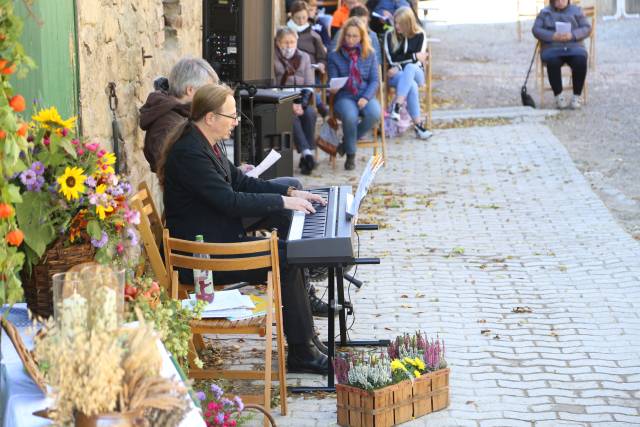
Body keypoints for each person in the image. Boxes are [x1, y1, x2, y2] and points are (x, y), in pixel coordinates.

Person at [158, 83, 329, 374]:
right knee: (285, 259)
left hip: (212, 238)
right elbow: (230, 201)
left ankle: (306, 340)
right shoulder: (190, 154)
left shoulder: (203, 141)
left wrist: (291, 194)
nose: (237, 122)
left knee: (287, 246)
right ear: (210, 117)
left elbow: (239, 181)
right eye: (232, 116)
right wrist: (282, 202)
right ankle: (302, 352)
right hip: (201, 259)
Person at [140, 57, 219, 173]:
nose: (210, 96)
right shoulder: (166, 124)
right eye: (208, 90)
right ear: (190, 90)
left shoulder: (185, 114)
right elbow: (181, 171)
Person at [328, 17, 381, 171]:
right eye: (348, 35)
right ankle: (351, 155)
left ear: (362, 37)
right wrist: (334, 87)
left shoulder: (369, 54)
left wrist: (366, 97)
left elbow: (374, 81)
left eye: (355, 36)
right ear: (343, 35)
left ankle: (345, 144)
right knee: (350, 117)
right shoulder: (335, 55)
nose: (351, 39)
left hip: (365, 93)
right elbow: (333, 79)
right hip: (344, 95)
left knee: (375, 113)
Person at [274, 26, 318, 175]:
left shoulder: (304, 57)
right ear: (278, 42)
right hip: (280, 99)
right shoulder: (272, 58)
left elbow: (310, 84)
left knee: (310, 114)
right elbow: (272, 86)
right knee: (292, 118)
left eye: (292, 42)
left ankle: (306, 154)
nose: (289, 45)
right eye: (285, 42)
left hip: (301, 98)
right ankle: (307, 153)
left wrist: (302, 103)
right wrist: (290, 103)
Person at [384, 6, 432, 139]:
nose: (397, 26)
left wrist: (401, 66)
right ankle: (419, 126)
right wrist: (414, 56)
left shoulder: (420, 34)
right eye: (395, 22)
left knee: (410, 68)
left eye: (400, 23)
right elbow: (392, 59)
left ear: (409, 23)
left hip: (417, 74)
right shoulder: (389, 36)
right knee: (411, 85)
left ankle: (397, 106)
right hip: (397, 78)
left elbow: (417, 62)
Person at [532, 0, 591, 110]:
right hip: (553, 48)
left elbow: (587, 28)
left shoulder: (576, 10)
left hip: (574, 47)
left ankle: (576, 96)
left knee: (580, 60)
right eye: (557, 0)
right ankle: (559, 96)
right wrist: (552, 36)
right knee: (552, 62)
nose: (560, 2)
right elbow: (536, 29)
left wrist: (572, 35)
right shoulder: (545, 12)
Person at [288, 1, 329, 117]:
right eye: (298, 18)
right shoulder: (286, 32)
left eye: (304, 18)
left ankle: (303, 104)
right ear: (292, 16)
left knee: (309, 79)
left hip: (310, 71)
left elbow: (322, 57)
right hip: (290, 71)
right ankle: (319, 105)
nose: (301, 21)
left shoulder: (314, 36)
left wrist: (321, 64)